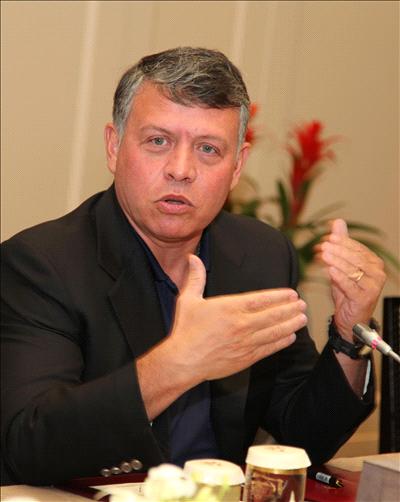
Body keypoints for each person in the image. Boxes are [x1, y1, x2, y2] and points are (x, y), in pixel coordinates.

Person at [1, 47, 386, 486]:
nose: (181, 170)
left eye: (208, 149)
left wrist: (348, 334)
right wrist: (177, 363)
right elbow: (27, 445)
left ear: (237, 166)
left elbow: (304, 436)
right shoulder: (41, 265)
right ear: (114, 146)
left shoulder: (260, 255)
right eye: (158, 141)